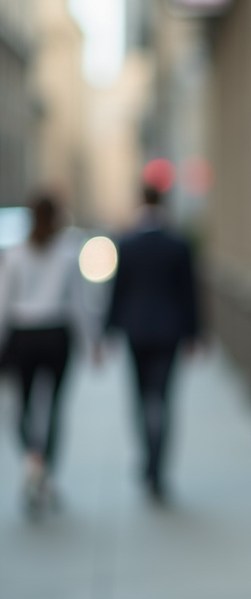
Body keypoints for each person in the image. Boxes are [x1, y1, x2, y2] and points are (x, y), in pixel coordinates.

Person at [103, 184, 201, 502]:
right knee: (163, 399)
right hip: (169, 331)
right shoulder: (178, 244)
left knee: (141, 397)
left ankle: (148, 460)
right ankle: (158, 467)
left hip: (137, 331)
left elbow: (118, 290)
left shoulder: (127, 243)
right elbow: (190, 293)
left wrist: (109, 329)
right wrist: (194, 333)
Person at [0, 190, 95, 517]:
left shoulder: (15, 255)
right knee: (53, 407)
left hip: (23, 334)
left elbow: (3, 304)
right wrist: (90, 342)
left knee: (22, 407)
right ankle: (45, 470)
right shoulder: (68, 253)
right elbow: (81, 305)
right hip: (56, 334)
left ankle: (32, 459)